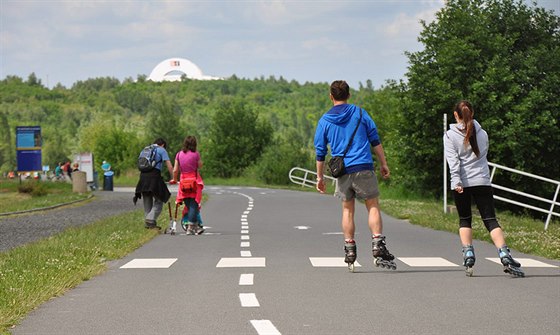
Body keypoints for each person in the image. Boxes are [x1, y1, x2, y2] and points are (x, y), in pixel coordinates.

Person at [314, 80, 393, 271]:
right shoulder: (360, 113)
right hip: (363, 165)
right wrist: (383, 163)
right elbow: (375, 140)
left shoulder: (325, 120)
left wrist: (320, 178)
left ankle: (350, 249)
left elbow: (320, 152)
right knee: (372, 205)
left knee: (347, 210)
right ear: (349, 95)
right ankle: (377, 244)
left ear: (331, 96)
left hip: (342, 171)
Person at [444, 100, 524, 277]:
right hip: (482, 181)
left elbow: (453, 162)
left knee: (465, 219)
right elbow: (482, 157)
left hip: (462, 185)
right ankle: (504, 254)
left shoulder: (450, 136)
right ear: (472, 113)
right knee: (490, 219)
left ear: (456, 115)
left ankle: (468, 255)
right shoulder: (483, 133)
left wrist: (457, 182)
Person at [133, 138, 175, 230]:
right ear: (163, 145)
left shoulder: (145, 150)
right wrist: (174, 178)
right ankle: (150, 219)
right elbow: (170, 166)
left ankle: (149, 224)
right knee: (159, 199)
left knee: (147, 200)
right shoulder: (161, 150)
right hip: (154, 177)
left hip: (143, 177)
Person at [173, 135, 204, 235]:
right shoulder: (196, 154)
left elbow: (175, 170)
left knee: (188, 204)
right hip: (194, 181)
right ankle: (191, 227)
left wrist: (174, 179)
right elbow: (200, 165)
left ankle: (195, 227)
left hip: (183, 182)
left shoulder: (178, 155)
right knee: (194, 204)